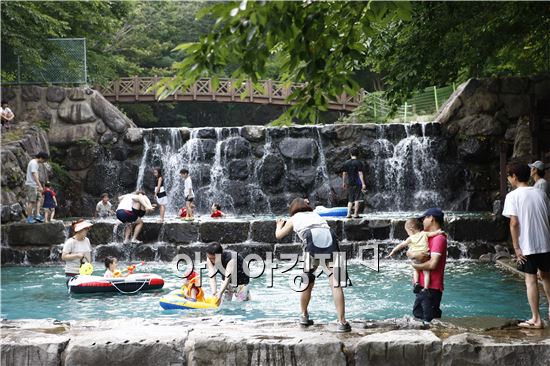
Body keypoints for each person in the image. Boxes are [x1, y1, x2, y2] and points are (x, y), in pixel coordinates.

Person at [275, 198, 351, 332]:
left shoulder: (294, 218)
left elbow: (279, 236)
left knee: (307, 282)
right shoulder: (316, 214)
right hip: (330, 241)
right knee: (335, 283)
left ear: (292, 209)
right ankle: (342, 322)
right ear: (306, 206)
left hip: (311, 244)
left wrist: (279, 225)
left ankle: (304, 316)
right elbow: (308, 204)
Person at [502, 162, 550, 329]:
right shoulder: (541, 193)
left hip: (528, 245)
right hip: (545, 242)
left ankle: (536, 319)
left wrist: (516, 248)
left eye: (508, 177)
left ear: (514, 176)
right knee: (546, 277)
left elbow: (514, 223)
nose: (508, 180)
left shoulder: (512, 196)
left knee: (531, 280)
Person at [408, 208, 447, 323]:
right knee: (418, 317)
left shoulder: (439, 238)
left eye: (423, 218)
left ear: (431, 219)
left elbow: (432, 264)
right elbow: (410, 252)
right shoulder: (426, 237)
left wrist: (415, 266)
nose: (421, 222)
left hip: (432, 288)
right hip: (422, 287)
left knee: (429, 320)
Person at [388, 219, 445, 292]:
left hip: (416, 257)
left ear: (411, 229)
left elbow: (402, 245)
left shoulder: (410, 238)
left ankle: (416, 283)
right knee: (426, 272)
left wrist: (393, 251)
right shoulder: (424, 233)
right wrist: (439, 232)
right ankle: (426, 288)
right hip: (425, 255)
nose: (408, 233)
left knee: (415, 270)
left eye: (407, 231)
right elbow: (433, 233)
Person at [61, 219, 93, 283]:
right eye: (85, 229)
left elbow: (88, 255)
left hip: (86, 273)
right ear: (79, 230)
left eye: (87, 229)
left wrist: (90, 267)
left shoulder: (87, 240)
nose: (87, 231)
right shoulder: (70, 242)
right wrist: (76, 255)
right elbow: (63, 257)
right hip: (72, 273)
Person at [342, 146, 366, 219]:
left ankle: (348, 214)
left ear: (350, 154)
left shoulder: (346, 163)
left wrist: (343, 182)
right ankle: (355, 214)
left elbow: (344, 173)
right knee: (357, 199)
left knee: (350, 199)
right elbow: (360, 173)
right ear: (357, 154)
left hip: (350, 182)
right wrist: (363, 183)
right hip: (357, 183)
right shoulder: (359, 163)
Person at [24, 151, 49, 224]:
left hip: (35, 185)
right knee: (31, 201)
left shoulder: (36, 163)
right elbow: (34, 175)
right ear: (41, 158)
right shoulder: (33, 163)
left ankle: (37, 215)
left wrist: (38, 185)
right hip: (31, 184)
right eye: (44, 160)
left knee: (39, 199)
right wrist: (40, 185)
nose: (44, 162)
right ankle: (29, 217)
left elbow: (36, 175)